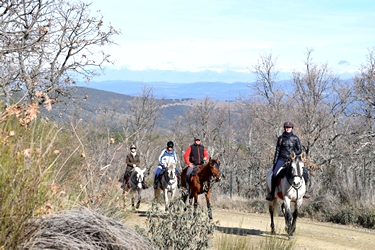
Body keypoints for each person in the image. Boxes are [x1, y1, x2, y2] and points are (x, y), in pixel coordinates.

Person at [266, 121, 310, 201]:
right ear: (284, 128)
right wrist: (275, 162)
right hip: (281, 159)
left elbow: (299, 149)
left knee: (305, 173)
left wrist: (293, 154)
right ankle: (272, 193)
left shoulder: (295, 138)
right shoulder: (281, 138)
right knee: (274, 175)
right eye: (286, 127)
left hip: (292, 159)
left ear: (292, 128)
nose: (288, 129)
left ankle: (304, 192)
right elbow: (277, 150)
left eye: (289, 127)